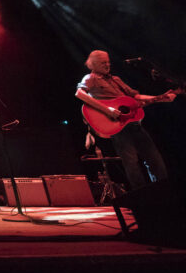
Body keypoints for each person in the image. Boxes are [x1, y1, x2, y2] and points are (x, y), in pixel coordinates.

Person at [75, 50, 176, 190]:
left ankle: (165, 192)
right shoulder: (90, 78)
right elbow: (79, 93)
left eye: (108, 62)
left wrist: (159, 98)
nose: (107, 65)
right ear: (94, 64)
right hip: (117, 127)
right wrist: (107, 110)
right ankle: (142, 197)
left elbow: (136, 97)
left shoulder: (116, 80)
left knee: (155, 160)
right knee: (131, 163)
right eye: (103, 62)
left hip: (135, 125)